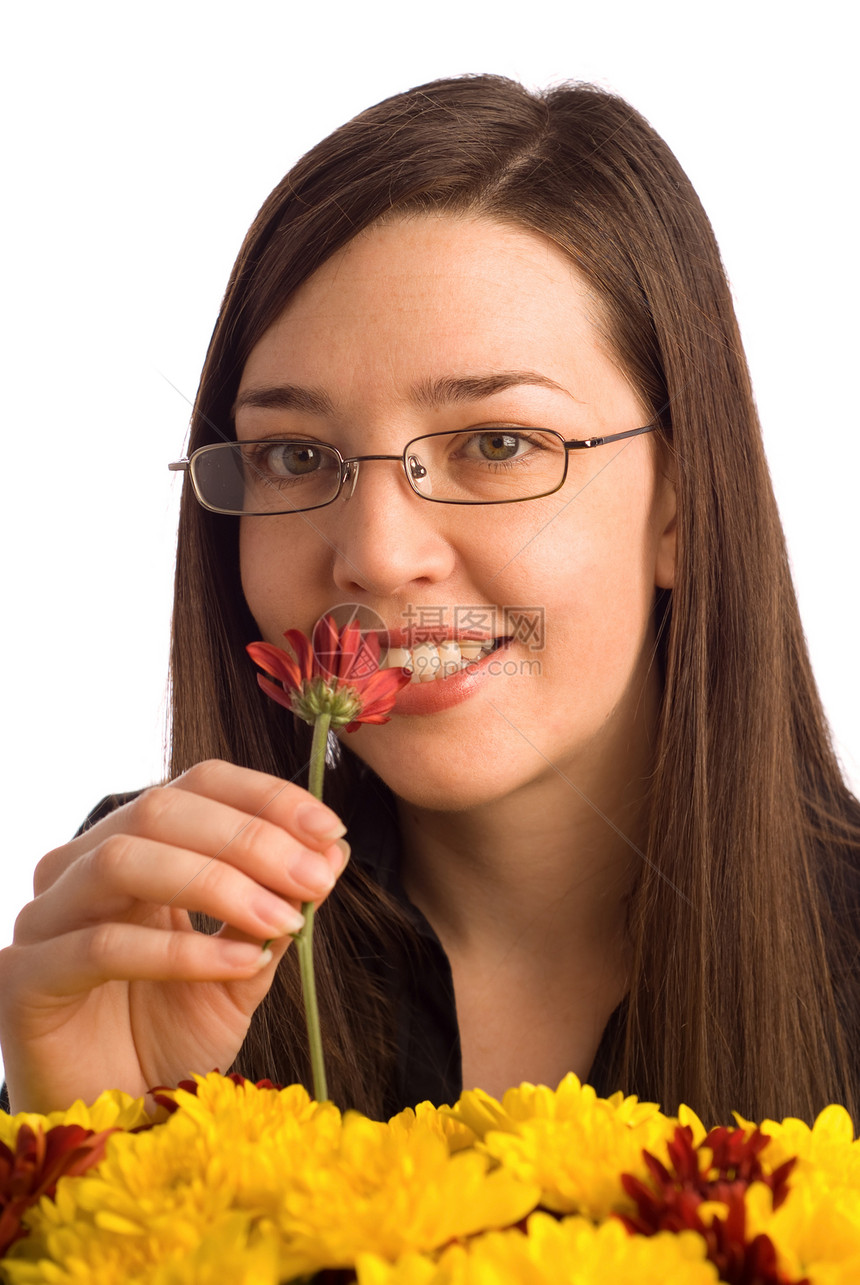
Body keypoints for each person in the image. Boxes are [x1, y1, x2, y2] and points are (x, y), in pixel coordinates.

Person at [1, 75, 858, 1126]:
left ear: (680, 505)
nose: (374, 553)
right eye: (296, 455)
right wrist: (73, 1146)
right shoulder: (159, 924)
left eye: (496, 445)